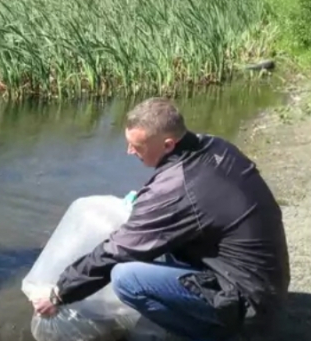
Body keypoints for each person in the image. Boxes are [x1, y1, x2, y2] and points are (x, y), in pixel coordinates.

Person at [32, 97, 290, 340]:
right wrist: (144, 204)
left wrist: (60, 292)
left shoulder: (179, 187)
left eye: (137, 145)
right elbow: (191, 203)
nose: (129, 151)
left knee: (126, 277)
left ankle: (210, 335)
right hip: (265, 283)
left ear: (168, 144)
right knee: (151, 242)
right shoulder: (214, 146)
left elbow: (117, 251)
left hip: (248, 308)